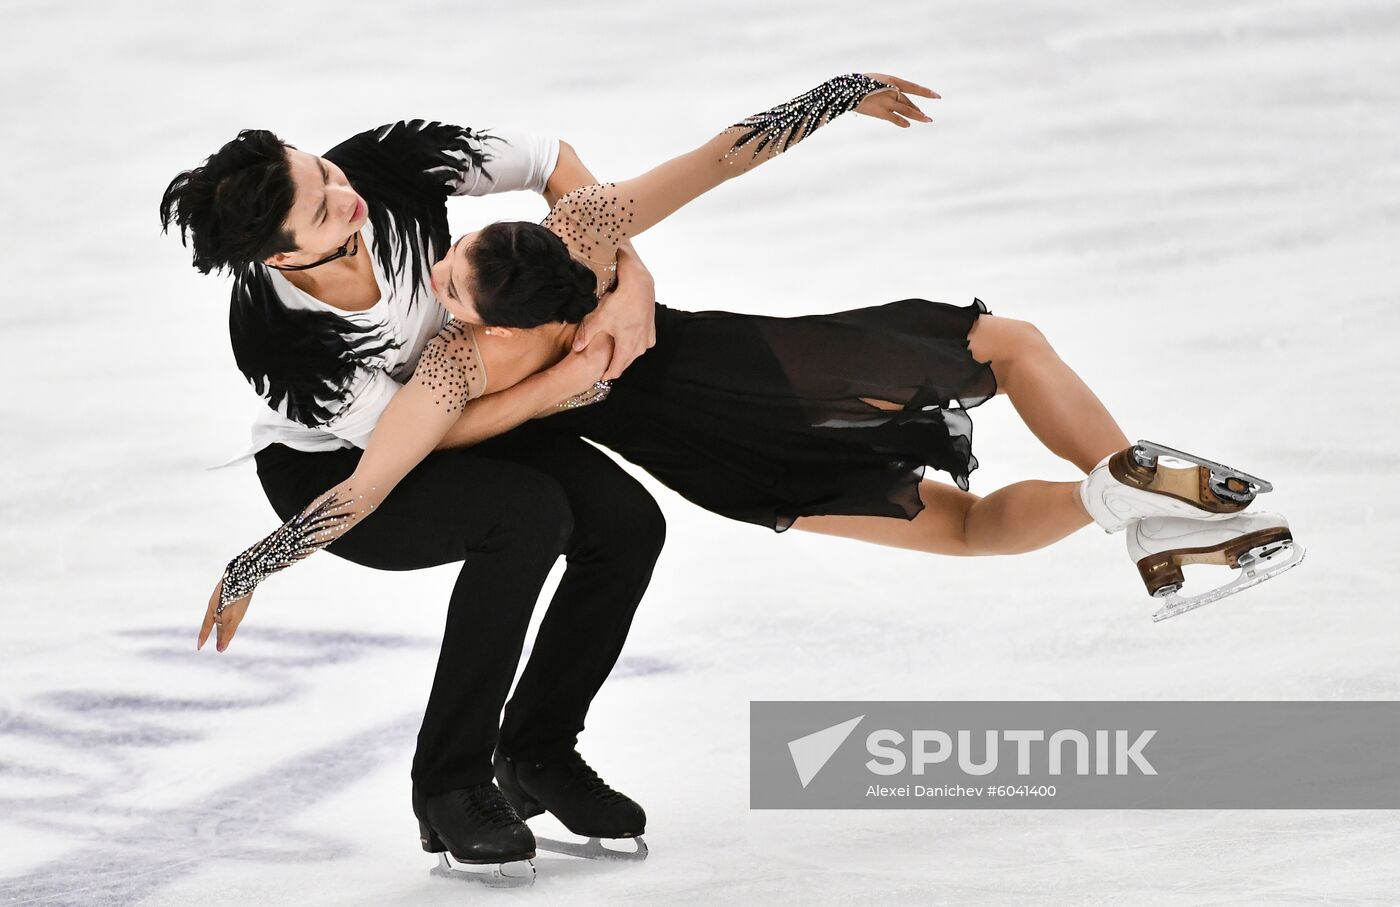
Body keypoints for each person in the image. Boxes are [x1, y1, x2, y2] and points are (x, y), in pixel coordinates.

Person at [161, 119, 667, 878]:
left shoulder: (390, 164)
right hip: (335, 470)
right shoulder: (282, 343)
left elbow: (552, 160)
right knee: (523, 515)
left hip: (455, 404)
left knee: (626, 522)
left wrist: (634, 279)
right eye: (325, 207)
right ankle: (448, 785)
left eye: (323, 170)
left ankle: (538, 752)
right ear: (282, 254)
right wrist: (559, 384)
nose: (347, 194)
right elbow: (419, 442)